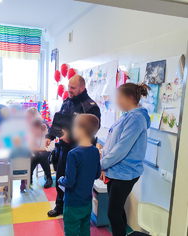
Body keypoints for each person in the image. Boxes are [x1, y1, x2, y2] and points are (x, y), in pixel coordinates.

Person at [46, 75, 101, 217]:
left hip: (82, 152)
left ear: (82, 88)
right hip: (65, 150)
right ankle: (60, 206)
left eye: (73, 88)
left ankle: (79, 209)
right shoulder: (67, 102)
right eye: (68, 86)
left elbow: (92, 131)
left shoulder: (91, 107)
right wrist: (50, 136)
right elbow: (59, 122)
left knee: (78, 181)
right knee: (61, 178)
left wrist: (72, 138)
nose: (69, 90)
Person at [100, 83, 151, 236]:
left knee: (113, 214)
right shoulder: (128, 115)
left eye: (119, 97)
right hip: (115, 171)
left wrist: (101, 164)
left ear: (130, 98)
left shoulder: (136, 118)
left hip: (125, 173)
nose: (117, 101)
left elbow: (121, 148)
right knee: (117, 210)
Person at [58, 114, 101, 236]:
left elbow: (69, 182)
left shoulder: (73, 154)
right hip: (87, 201)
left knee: (71, 231)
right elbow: (97, 174)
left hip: (73, 203)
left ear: (81, 130)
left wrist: (60, 180)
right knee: (84, 229)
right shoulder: (95, 151)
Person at [30, 118, 54, 188]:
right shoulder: (33, 134)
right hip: (37, 153)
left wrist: (38, 149)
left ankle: (49, 177)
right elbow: (31, 147)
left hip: (48, 153)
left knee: (41, 155)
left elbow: (50, 148)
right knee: (34, 156)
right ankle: (29, 177)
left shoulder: (49, 134)